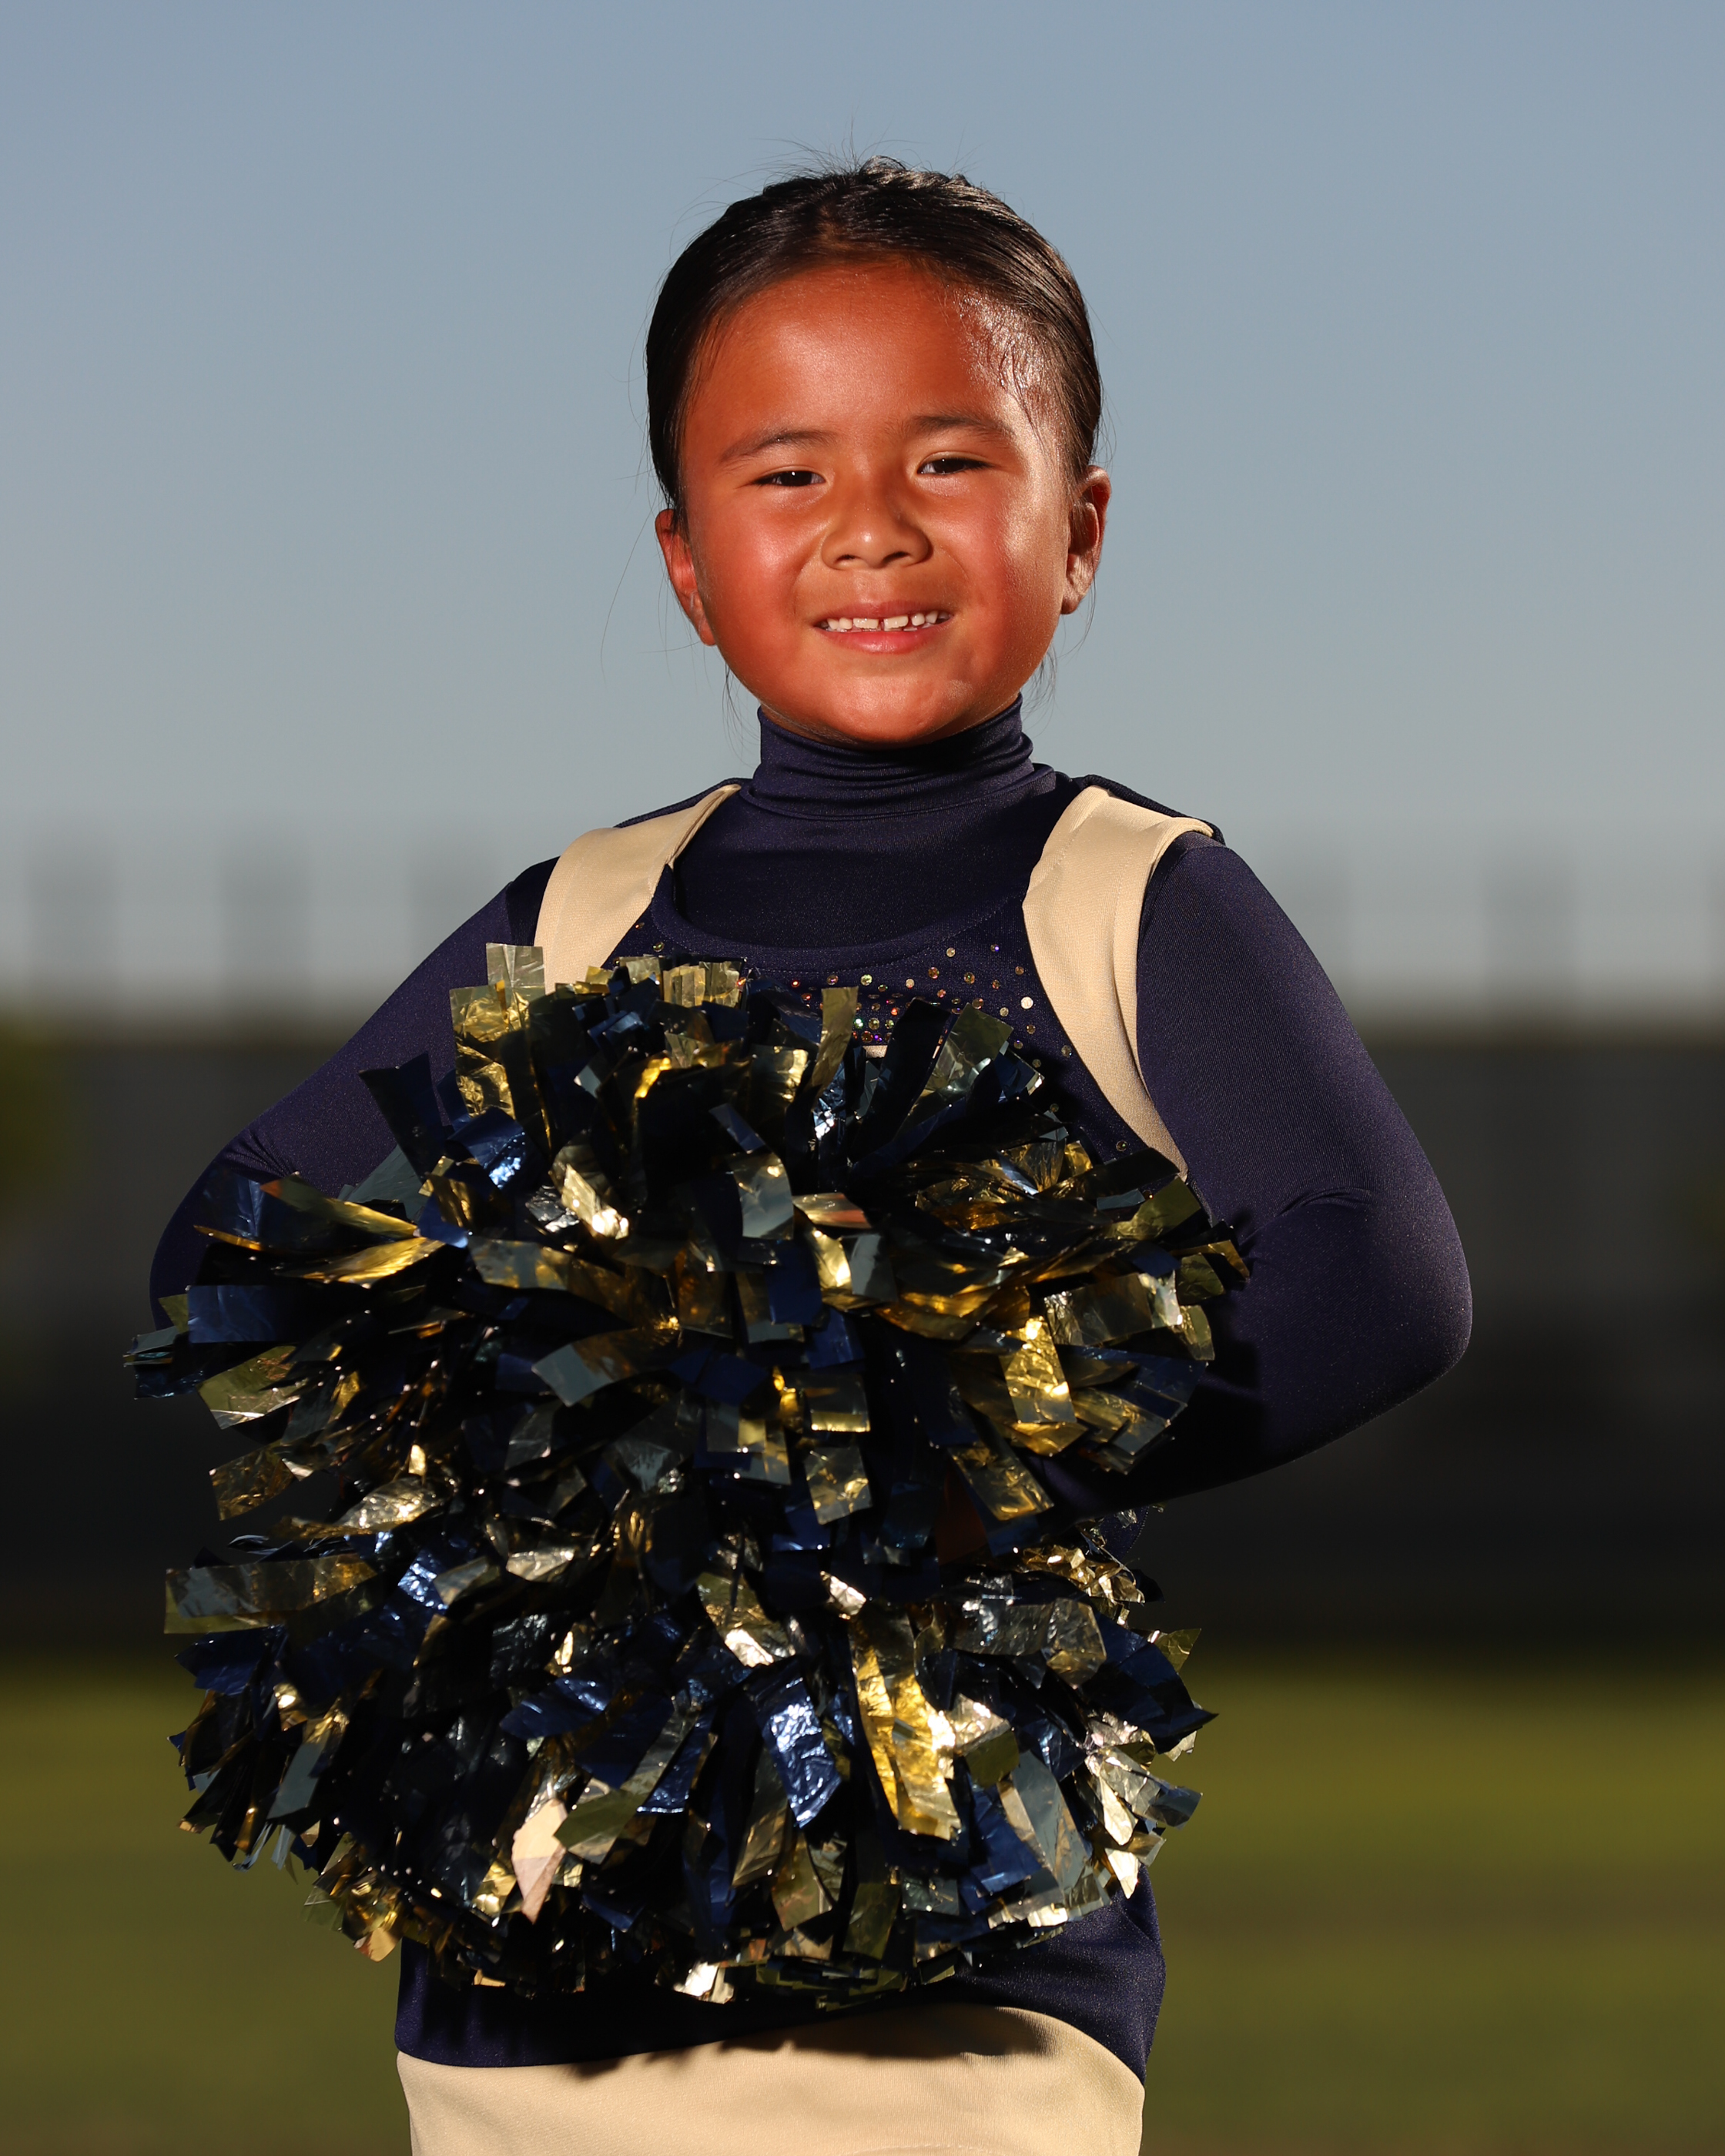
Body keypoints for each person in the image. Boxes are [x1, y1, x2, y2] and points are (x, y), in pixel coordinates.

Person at [152, 160, 1470, 2156]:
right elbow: (231, 1247)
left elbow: (1377, 1270)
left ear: (1079, 529)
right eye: (787, 473)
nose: (872, 524)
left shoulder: (1125, 896)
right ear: (687, 563)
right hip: (522, 1975)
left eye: (950, 459)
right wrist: (543, 1420)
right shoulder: (580, 916)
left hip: (954, 1974)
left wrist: (930, 1448)